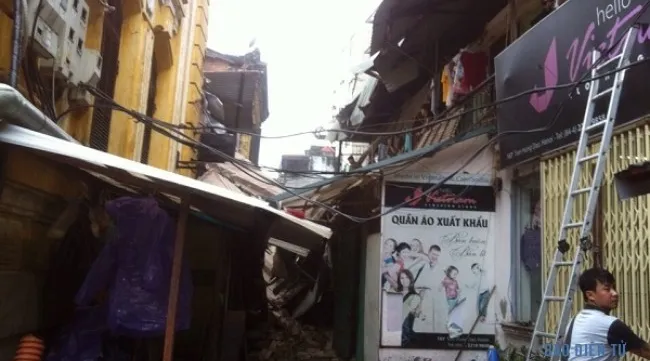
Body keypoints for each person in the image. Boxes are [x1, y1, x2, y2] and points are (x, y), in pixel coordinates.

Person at [565, 268, 650, 361]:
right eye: (607, 289)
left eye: (614, 288)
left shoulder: (575, 320)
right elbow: (645, 351)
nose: (615, 293)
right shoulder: (609, 325)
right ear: (590, 295)